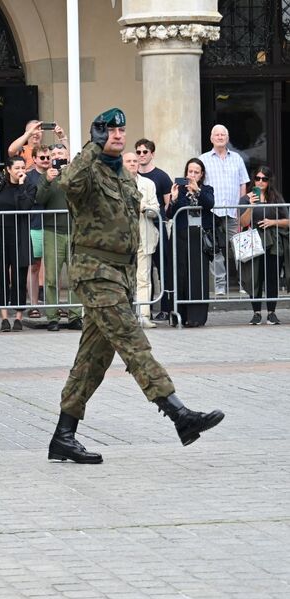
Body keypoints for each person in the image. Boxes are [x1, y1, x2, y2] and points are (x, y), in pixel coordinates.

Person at [48, 108, 224, 464]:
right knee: (133, 342)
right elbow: (67, 185)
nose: (116, 135)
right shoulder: (89, 168)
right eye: (108, 131)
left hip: (119, 275)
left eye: (120, 130)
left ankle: (63, 436)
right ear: (98, 134)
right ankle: (179, 415)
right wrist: (89, 148)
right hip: (95, 273)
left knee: (92, 360)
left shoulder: (124, 175)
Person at [35, 145, 82, 331]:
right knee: (52, 278)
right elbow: (38, 199)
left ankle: (75, 316)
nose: (56, 157)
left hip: (74, 231)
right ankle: (52, 316)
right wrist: (47, 180)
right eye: (53, 155)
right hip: (52, 231)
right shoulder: (45, 176)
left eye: (60, 154)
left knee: (75, 277)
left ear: (67, 156)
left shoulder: (75, 174)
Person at [199, 125, 249, 296]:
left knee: (239, 249)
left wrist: (241, 208)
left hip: (233, 212)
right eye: (217, 134)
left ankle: (245, 283)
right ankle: (220, 286)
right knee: (215, 250)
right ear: (211, 138)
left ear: (227, 138)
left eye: (223, 135)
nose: (220, 137)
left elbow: (243, 183)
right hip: (212, 213)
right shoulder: (203, 159)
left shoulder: (237, 159)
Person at [166, 158, 215, 328]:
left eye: (196, 172)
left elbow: (210, 204)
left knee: (197, 276)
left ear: (201, 175)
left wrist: (198, 191)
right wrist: (172, 199)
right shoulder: (179, 188)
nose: (192, 175)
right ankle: (179, 314)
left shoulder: (207, 189)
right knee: (180, 275)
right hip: (180, 237)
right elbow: (170, 215)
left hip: (198, 238)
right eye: (190, 171)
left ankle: (196, 317)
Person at [238, 166, 289, 325]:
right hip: (253, 240)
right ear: (253, 180)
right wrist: (251, 206)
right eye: (258, 178)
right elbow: (243, 222)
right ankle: (256, 312)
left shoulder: (276, 197)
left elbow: (287, 221)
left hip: (273, 242)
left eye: (264, 179)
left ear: (269, 181)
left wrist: (272, 222)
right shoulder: (246, 199)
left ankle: (272, 312)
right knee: (255, 277)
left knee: (272, 277)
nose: (260, 182)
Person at [0, 156, 34, 332]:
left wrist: (22, 184)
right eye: (17, 168)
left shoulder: (29, 187)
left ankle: (18, 317)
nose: (20, 170)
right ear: (8, 169)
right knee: (0, 274)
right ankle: (4, 317)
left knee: (19, 275)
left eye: (23, 167)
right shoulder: (0, 185)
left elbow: (25, 206)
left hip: (18, 235)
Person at [135, 138, 173, 321]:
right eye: (138, 152)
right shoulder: (131, 177)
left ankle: (165, 307)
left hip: (157, 225)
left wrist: (163, 219)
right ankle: (145, 309)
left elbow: (168, 204)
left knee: (162, 267)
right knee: (144, 271)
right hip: (140, 229)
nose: (141, 155)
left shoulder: (161, 177)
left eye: (145, 152)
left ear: (152, 154)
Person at [123, 151, 160, 328]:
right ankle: (126, 316)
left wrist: (144, 208)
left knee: (144, 278)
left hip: (144, 235)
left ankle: (144, 315)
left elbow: (156, 210)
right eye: (129, 161)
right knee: (123, 279)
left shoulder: (148, 184)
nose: (132, 164)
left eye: (135, 161)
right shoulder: (115, 183)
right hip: (122, 239)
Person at [24, 145, 51, 317]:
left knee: (53, 267)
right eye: (42, 157)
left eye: (48, 157)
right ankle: (33, 304)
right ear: (34, 159)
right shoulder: (28, 177)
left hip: (53, 226)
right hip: (34, 226)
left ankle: (53, 305)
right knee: (34, 266)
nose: (46, 160)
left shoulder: (57, 174)